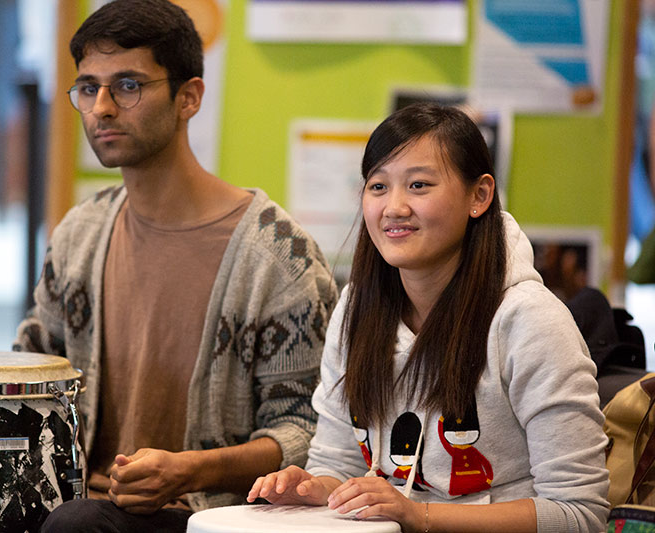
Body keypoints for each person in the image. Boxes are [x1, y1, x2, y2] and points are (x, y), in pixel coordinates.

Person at [14, 1, 338, 531]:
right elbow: (31, 373)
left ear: (188, 97)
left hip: (203, 515)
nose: (101, 108)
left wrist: (190, 470)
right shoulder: (80, 233)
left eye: (127, 85)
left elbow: (307, 431)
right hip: (75, 499)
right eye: (88, 88)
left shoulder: (278, 256)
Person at [248, 103, 610, 532]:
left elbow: (579, 514)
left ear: (480, 196)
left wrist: (416, 514)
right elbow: (337, 463)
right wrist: (315, 489)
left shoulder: (530, 321)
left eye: (418, 185)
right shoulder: (357, 307)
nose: (394, 207)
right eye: (378, 186)